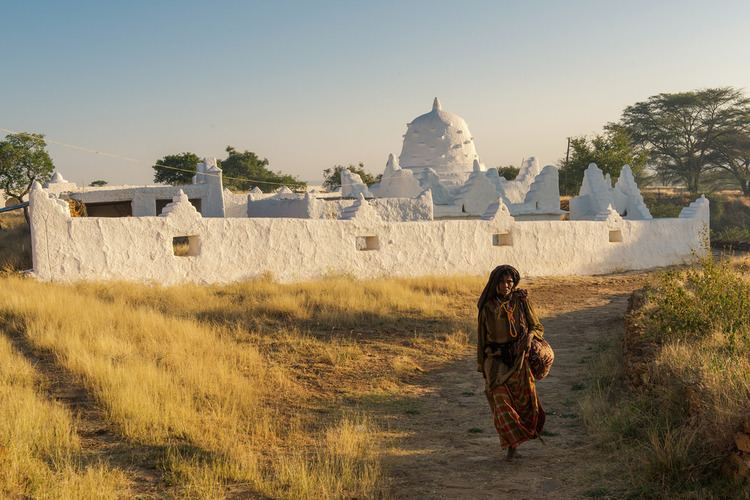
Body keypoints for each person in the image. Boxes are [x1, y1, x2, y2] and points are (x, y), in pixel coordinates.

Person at [477, 264, 545, 460]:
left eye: (510, 282)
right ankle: (511, 444)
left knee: (524, 403)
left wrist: (531, 337)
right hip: (496, 362)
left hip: (518, 359)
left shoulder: (521, 301)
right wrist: (482, 366)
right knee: (501, 403)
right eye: (502, 281)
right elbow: (482, 340)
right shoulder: (487, 308)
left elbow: (537, 326)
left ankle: (516, 443)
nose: (507, 285)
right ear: (495, 283)